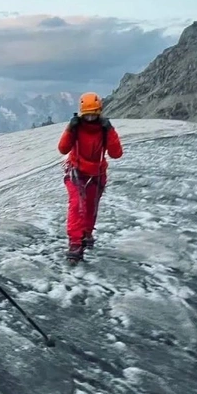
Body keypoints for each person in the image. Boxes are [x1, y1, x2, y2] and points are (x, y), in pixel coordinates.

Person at [57, 92, 123, 265]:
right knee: (77, 204)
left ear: (100, 111)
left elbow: (116, 153)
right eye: (88, 114)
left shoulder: (103, 129)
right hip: (76, 172)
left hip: (97, 174)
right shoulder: (76, 128)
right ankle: (75, 243)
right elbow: (63, 149)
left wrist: (110, 130)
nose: (91, 117)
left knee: (91, 206)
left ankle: (86, 233)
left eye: (94, 113)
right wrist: (69, 129)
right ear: (81, 113)